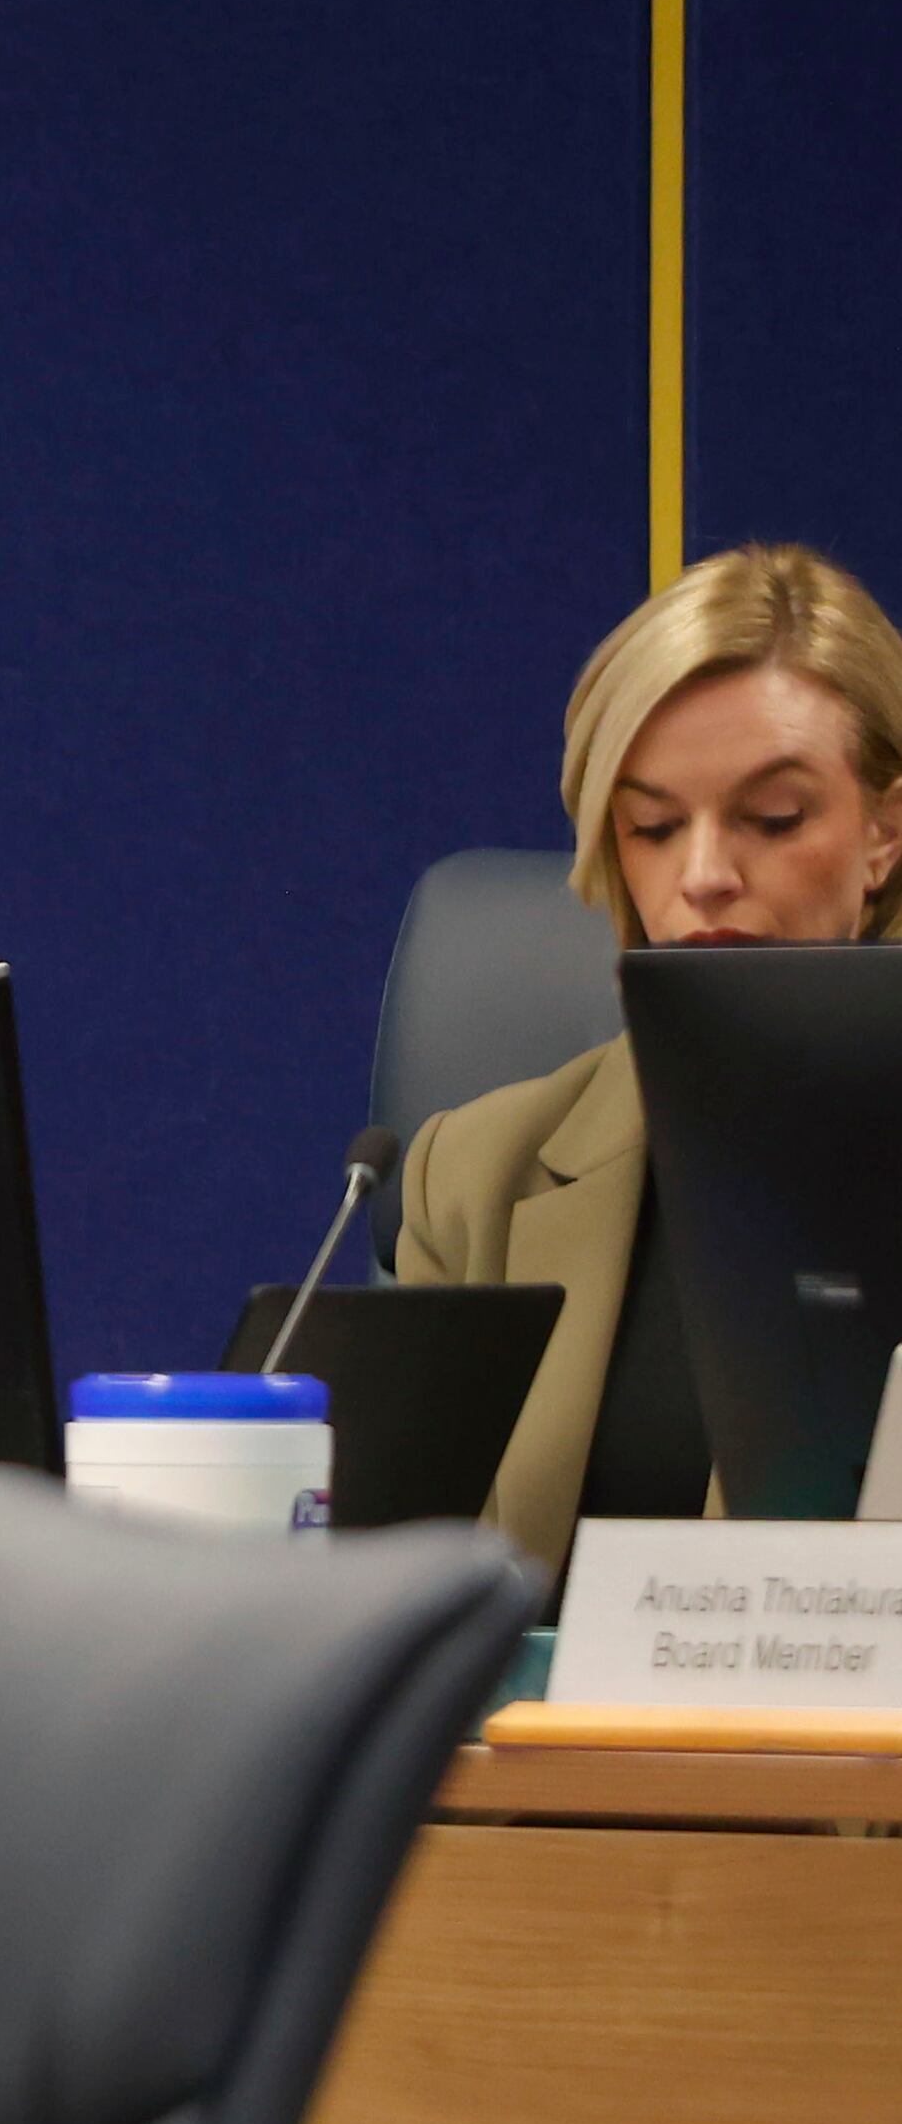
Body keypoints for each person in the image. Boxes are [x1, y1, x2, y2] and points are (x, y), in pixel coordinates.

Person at [398, 543, 902, 1564]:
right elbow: (409, 1601)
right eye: (652, 826)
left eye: (771, 817)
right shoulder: (476, 1175)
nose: (703, 873)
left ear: (884, 832)